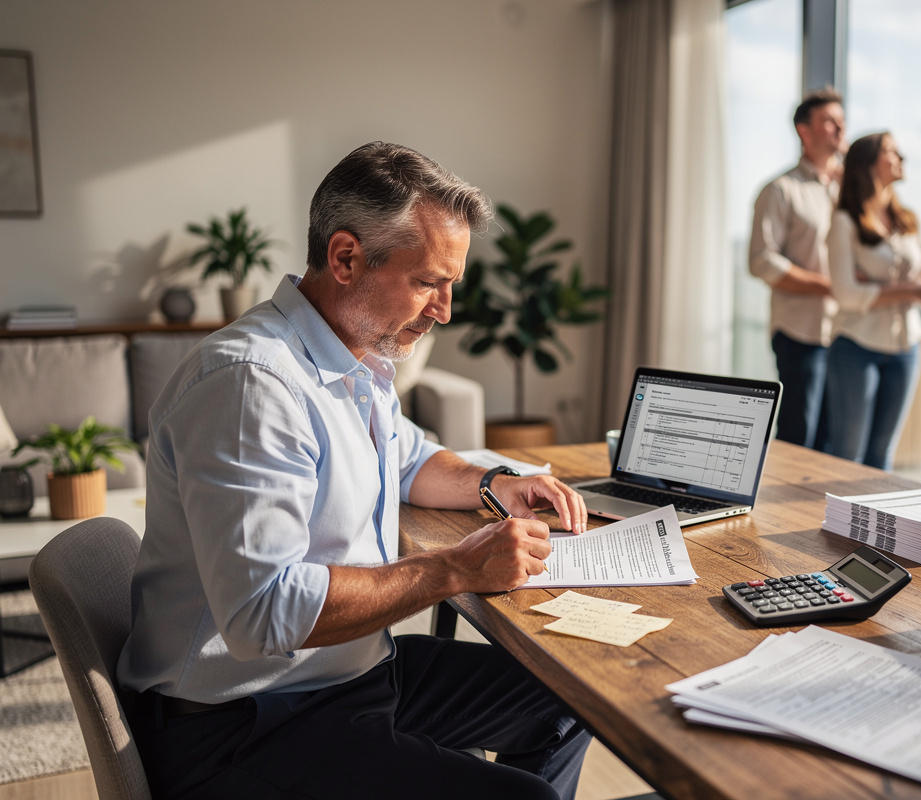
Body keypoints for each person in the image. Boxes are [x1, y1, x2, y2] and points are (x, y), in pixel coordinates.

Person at [116, 142, 593, 800]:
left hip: (345, 677)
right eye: (429, 281)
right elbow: (264, 614)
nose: (445, 310)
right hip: (244, 726)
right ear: (345, 258)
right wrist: (454, 568)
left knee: (569, 705)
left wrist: (494, 483)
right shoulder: (253, 383)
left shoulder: (352, 358)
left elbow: (409, 457)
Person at [824, 132, 921, 471]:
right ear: (867, 163)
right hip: (855, 347)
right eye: (891, 151)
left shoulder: (910, 219)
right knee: (848, 457)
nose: (901, 157)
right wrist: (907, 289)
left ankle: (873, 525)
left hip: (907, 348)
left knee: (882, 458)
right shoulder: (844, 222)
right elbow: (846, 293)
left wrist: (876, 286)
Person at [749, 87, 845, 450]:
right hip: (800, 332)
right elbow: (761, 260)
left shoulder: (849, 190)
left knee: (835, 440)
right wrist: (826, 286)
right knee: (799, 436)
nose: (840, 129)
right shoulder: (780, 190)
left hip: (847, 333)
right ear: (804, 131)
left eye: (842, 121)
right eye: (830, 122)